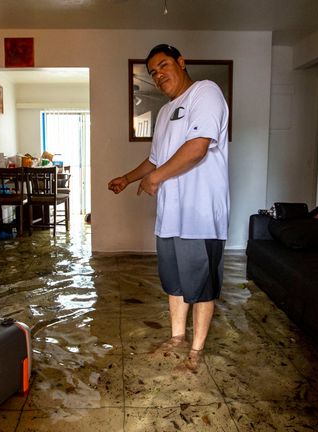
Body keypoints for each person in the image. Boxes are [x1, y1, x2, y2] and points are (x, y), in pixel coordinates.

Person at [108, 44, 229, 372]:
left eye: (163, 66)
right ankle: (177, 338)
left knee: (202, 285)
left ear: (181, 61)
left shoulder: (205, 92)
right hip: (170, 216)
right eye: (152, 72)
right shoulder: (164, 113)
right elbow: (154, 161)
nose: (158, 75)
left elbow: (198, 148)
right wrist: (129, 178)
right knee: (174, 282)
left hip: (201, 215)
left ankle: (196, 350)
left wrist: (155, 179)